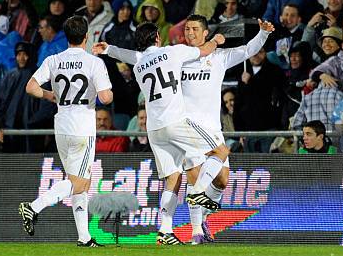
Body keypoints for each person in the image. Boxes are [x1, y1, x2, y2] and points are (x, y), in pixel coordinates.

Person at [98, 16, 274, 243]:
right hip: (185, 125)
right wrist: (111, 50)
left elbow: (248, 49)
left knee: (221, 180)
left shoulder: (218, 58)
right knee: (193, 177)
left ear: (205, 32)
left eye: (194, 29)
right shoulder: (177, 55)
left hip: (209, 127)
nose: (189, 32)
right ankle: (196, 232)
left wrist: (263, 33)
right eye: (187, 29)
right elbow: (137, 56)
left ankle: (198, 217)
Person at [93, 22, 226, 245]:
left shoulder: (139, 64)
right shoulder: (173, 52)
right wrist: (216, 40)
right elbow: (204, 50)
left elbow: (131, 56)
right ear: (157, 37)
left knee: (172, 179)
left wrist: (109, 50)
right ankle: (198, 192)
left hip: (154, 129)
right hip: (175, 122)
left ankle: (164, 231)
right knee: (220, 150)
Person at [19, 15, 114, 247]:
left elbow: (31, 87)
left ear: (66, 36)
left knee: (78, 181)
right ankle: (33, 206)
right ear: (86, 36)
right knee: (80, 183)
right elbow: (105, 97)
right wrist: (108, 91)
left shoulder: (53, 60)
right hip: (82, 127)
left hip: (61, 126)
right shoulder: (94, 62)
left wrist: (51, 95)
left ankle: (84, 237)